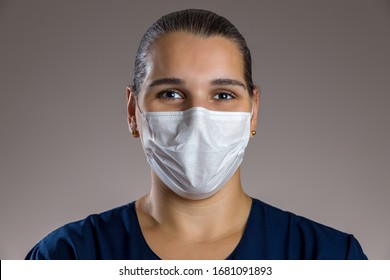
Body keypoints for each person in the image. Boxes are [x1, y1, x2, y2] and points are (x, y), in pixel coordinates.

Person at [26, 9, 367, 260]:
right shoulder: (67, 257)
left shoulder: (329, 257)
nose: (197, 119)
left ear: (254, 110)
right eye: (171, 94)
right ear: (133, 111)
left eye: (223, 95)